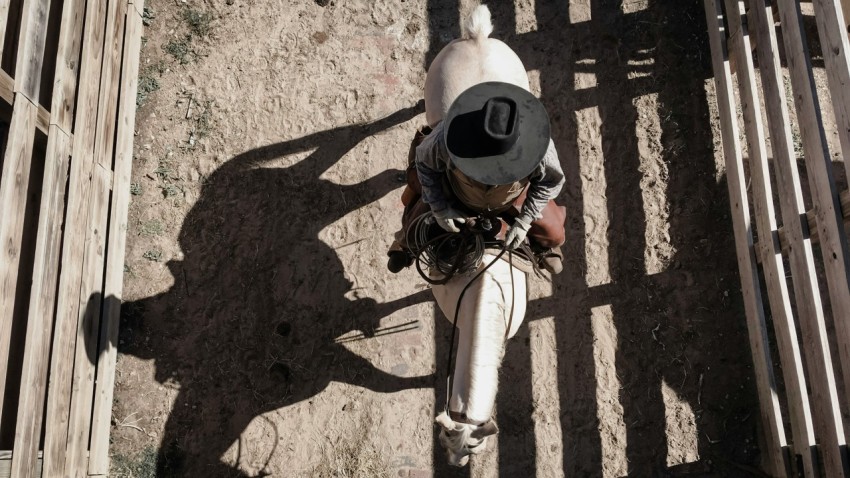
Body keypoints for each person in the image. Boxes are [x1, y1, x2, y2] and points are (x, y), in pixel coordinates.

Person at [388, 81, 566, 274]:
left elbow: (551, 181)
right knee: (414, 229)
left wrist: (525, 220)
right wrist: (440, 209)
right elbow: (423, 162)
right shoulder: (444, 137)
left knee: (554, 234)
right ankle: (405, 244)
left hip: (513, 197)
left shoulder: (541, 148)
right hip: (456, 191)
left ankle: (544, 248)